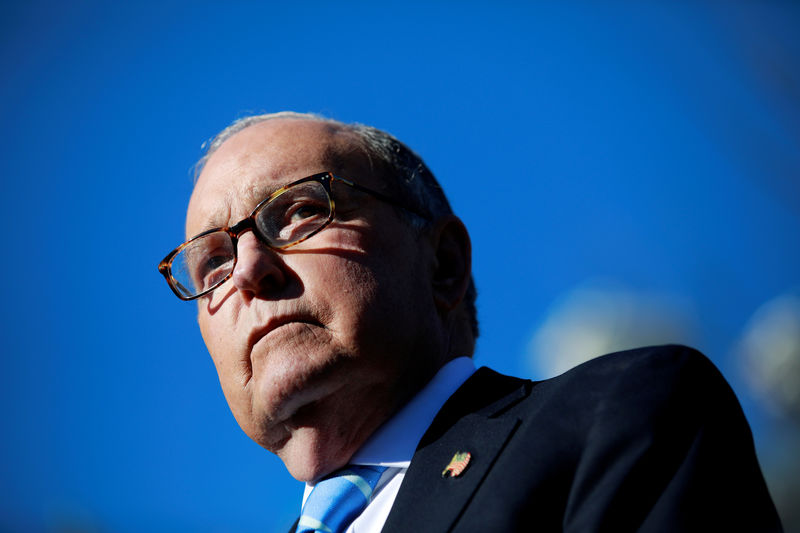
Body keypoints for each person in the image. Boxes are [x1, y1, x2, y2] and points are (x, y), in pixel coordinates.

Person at [158, 112, 781, 532]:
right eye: (212, 261)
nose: (247, 270)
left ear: (445, 265)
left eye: (297, 212)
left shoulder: (623, 418)